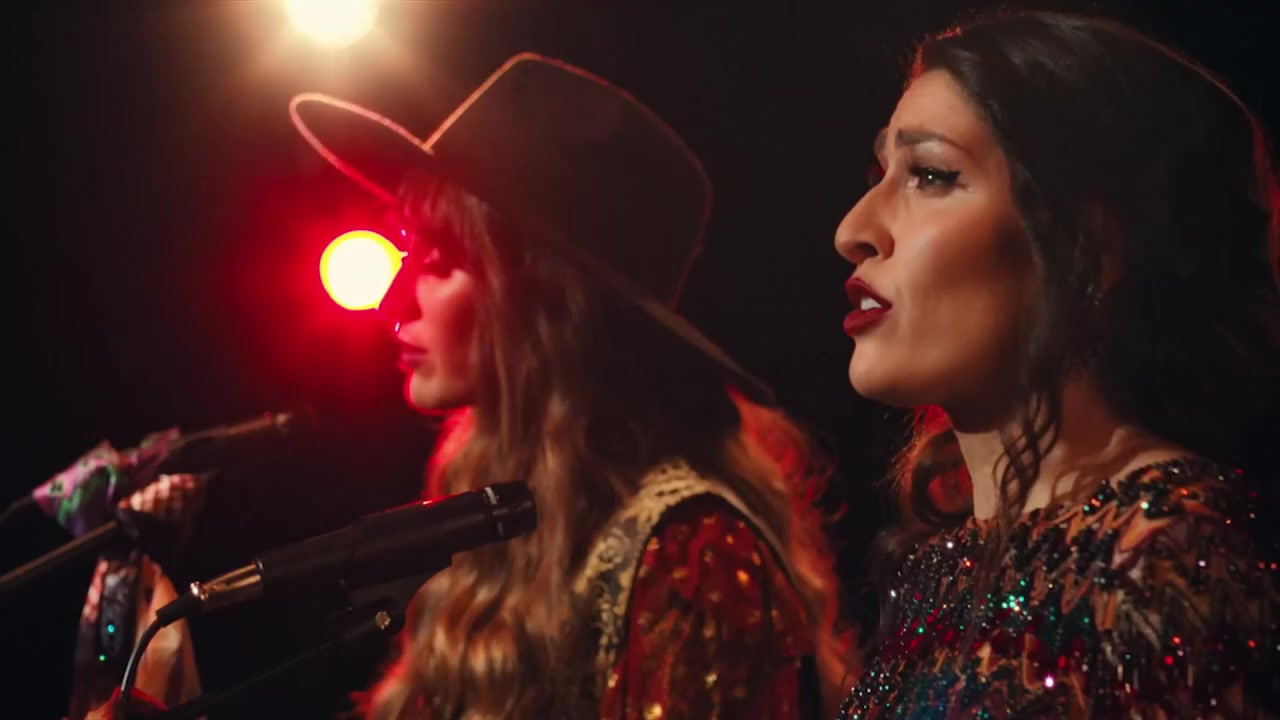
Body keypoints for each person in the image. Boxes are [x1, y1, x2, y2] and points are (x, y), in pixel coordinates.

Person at [288, 54, 850, 719]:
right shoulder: (496, 514)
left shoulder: (692, 552)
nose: (393, 302)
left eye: (438, 259)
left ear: (547, 301)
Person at [832, 11, 1280, 719]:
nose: (853, 231)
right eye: (879, 174)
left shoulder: (1163, 557)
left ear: (1092, 244)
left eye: (931, 174)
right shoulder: (940, 573)